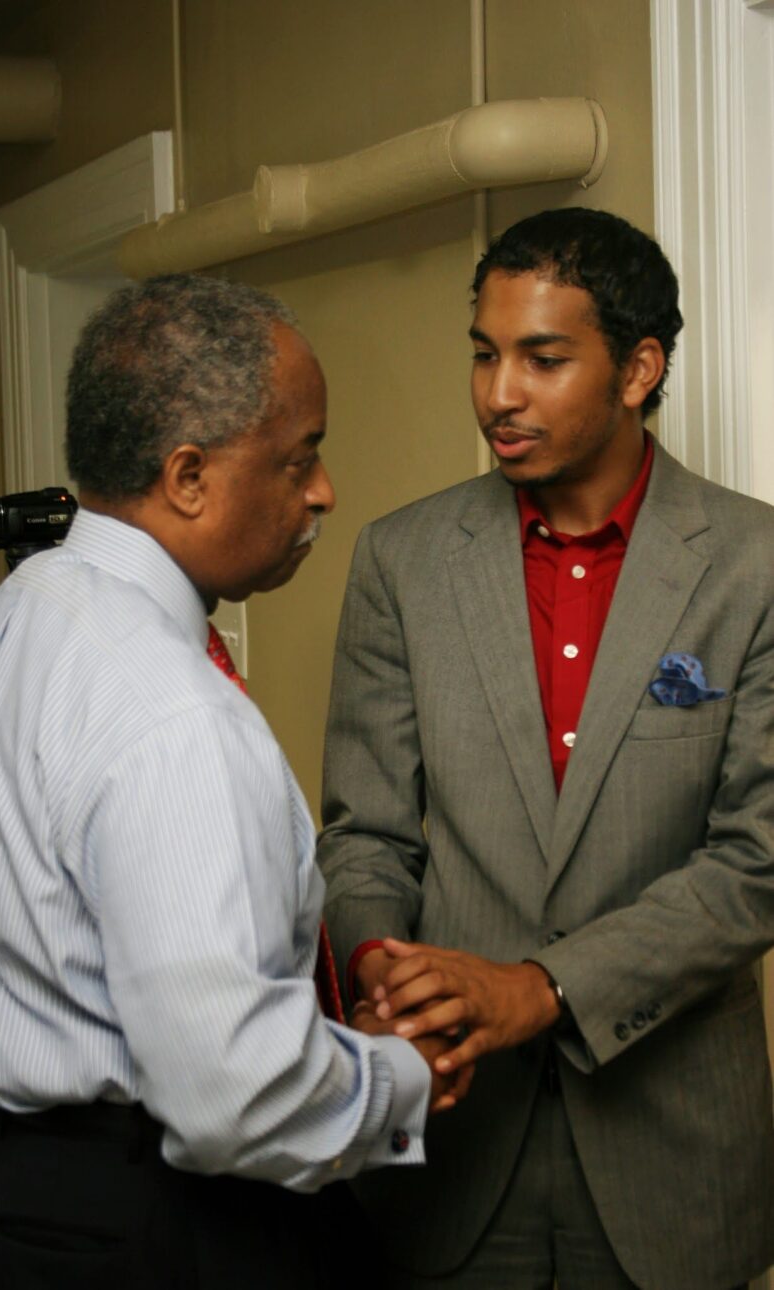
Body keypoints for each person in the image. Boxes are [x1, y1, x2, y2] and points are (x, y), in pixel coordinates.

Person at [0, 275, 464, 1290]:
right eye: (298, 457)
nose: (323, 491)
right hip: (173, 1214)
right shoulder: (175, 717)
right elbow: (232, 1102)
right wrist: (397, 1077)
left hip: (15, 1194)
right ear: (188, 475)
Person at [318, 208, 774, 1290]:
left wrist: (539, 988)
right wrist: (387, 983)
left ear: (637, 368)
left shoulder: (753, 566)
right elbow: (366, 834)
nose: (497, 394)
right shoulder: (401, 560)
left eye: (541, 357)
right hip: (449, 1146)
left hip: (674, 1150)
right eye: (482, 353)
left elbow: (755, 863)